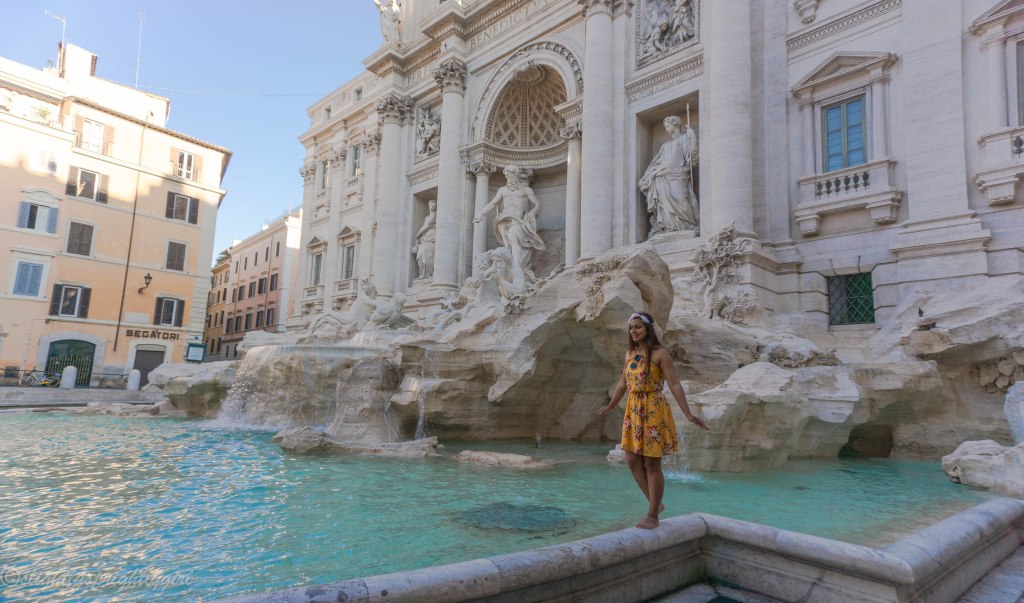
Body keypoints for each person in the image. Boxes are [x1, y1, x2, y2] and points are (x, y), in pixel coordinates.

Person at [598, 311, 708, 529]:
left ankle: (652, 515)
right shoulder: (630, 354)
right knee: (631, 460)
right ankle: (656, 504)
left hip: (653, 409)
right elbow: (622, 383)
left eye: (638, 326)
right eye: (631, 328)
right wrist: (611, 405)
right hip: (634, 409)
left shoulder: (660, 353)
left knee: (652, 464)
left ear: (648, 328)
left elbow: (674, 384)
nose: (634, 331)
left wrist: (687, 413)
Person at [473, 165, 546, 283]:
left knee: (513, 238)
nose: (507, 178)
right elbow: (492, 204)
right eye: (506, 176)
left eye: (509, 175)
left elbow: (537, 205)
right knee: (507, 245)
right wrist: (481, 214)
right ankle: (509, 268)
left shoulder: (526, 190)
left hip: (517, 220)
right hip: (503, 219)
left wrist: (532, 212)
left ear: (515, 175)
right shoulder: (502, 190)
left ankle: (516, 266)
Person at [639, 115, 700, 236]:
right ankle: (668, 227)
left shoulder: (684, 139)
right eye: (665, 127)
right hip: (662, 177)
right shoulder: (665, 145)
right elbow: (656, 163)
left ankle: (689, 226)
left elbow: (692, 159)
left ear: (675, 125)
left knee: (681, 199)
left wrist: (692, 138)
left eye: (668, 126)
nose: (666, 129)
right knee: (664, 204)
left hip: (679, 175)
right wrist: (649, 176)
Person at [412, 200, 436, 280]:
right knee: (422, 254)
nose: (432, 207)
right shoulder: (427, 217)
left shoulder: (434, 215)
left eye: (433, 205)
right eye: (430, 205)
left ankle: (429, 273)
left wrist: (418, 234)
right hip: (425, 238)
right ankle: (423, 274)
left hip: (431, 237)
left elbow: (428, 225)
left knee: (429, 254)